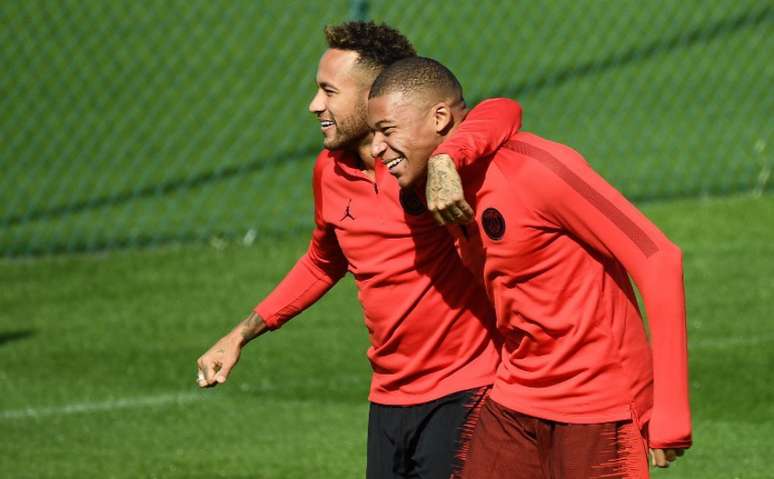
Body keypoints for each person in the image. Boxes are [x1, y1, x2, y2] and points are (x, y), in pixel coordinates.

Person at [196, 22, 523, 479]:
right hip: (388, 400)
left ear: (374, 95)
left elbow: (503, 110)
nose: (314, 105)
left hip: (468, 390)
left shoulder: (427, 160)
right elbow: (323, 261)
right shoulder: (328, 171)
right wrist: (241, 334)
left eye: (329, 92)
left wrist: (447, 164)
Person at [367, 56, 692, 478]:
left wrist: (670, 411)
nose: (376, 148)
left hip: (598, 405)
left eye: (387, 132)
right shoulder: (433, 187)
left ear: (440, 117)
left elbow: (659, 259)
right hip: (516, 396)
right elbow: (498, 110)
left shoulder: (538, 169)